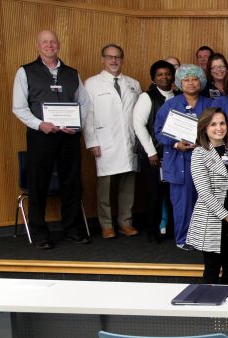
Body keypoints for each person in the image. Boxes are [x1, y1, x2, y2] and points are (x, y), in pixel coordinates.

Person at [12, 30, 91, 249]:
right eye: (45, 42)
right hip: (41, 136)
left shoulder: (72, 73)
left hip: (68, 137)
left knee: (72, 183)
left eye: (53, 42)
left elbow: (84, 103)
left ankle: (72, 230)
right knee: (38, 184)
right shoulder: (25, 71)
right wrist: (40, 124)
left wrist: (76, 125)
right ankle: (39, 233)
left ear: (58, 45)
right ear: (38, 45)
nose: (49, 45)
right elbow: (18, 107)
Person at [83, 43, 142, 239]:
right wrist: (92, 142)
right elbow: (87, 115)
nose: (114, 60)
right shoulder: (91, 84)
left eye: (117, 57)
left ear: (122, 60)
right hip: (105, 142)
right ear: (103, 59)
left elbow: (138, 116)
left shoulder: (133, 84)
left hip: (129, 141)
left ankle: (125, 223)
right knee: (105, 188)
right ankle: (106, 225)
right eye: (109, 57)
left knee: (128, 187)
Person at [154, 64, 214, 250]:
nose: (190, 83)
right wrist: (175, 144)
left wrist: (205, 141)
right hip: (178, 161)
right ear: (179, 83)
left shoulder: (210, 104)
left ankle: (203, 238)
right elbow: (158, 131)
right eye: (186, 80)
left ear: (201, 81)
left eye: (194, 79)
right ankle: (183, 239)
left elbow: (218, 130)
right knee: (182, 203)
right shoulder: (170, 105)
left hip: (203, 160)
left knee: (204, 201)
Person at [187, 107, 228, 285]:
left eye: (222, 123)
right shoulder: (199, 153)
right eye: (213, 124)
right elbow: (204, 192)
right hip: (213, 221)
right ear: (204, 128)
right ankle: (210, 312)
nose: (219, 128)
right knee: (211, 273)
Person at [133, 60, 178, 242]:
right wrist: (151, 152)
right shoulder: (147, 97)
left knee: (171, 195)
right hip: (154, 156)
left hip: (174, 154)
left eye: (167, 73)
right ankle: (152, 231)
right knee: (154, 195)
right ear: (153, 77)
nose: (164, 77)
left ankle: (172, 230)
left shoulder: (178, 95)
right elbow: (139, 125)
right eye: (159, 74)